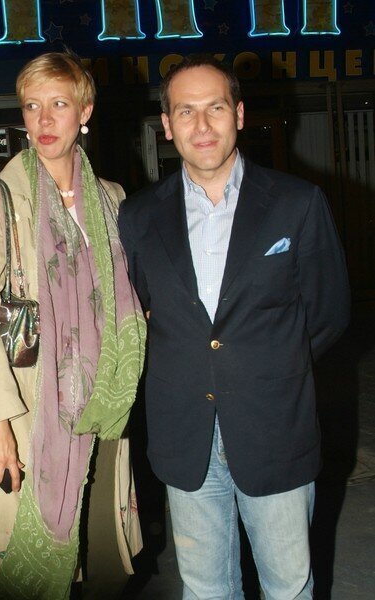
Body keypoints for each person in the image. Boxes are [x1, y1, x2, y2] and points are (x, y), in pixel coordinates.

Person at [118, 53, 351, 599]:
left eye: (216, 108)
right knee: (205, 589)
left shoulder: (297, 203)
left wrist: (267, 369)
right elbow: (144, 314)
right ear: (167, 124)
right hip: (184, 436)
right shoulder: (139, 216)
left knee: (288, 587)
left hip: (275, 429)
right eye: (186, 111)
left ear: (239, 114)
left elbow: (328, 312)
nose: (202, 125)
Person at [0, 51, 147, 599]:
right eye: (32, 106)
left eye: (59, 104)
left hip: (104, 404)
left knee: (101, 558)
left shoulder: (112, 199)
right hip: (30, 408)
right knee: (37, 563)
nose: (43, 120)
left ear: (85, 112)